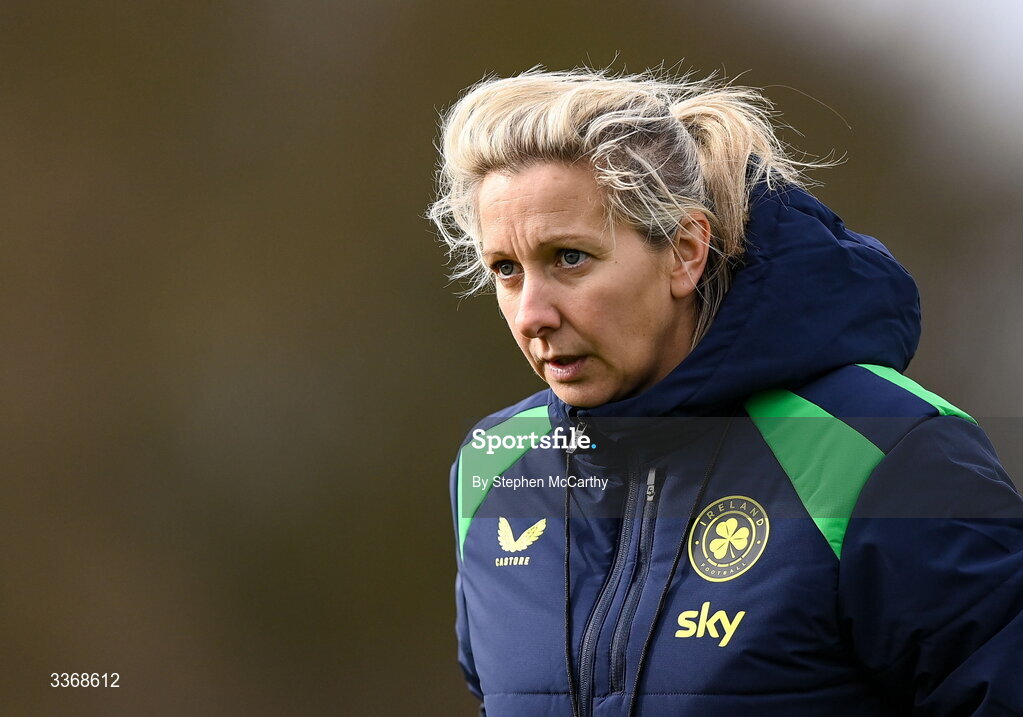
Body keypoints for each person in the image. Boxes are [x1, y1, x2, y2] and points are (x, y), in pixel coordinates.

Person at [428, 68, 1023, 716]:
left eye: (569, 257)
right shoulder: (494, 465)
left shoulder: (881, 449)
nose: (530, 312)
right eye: (506, 270)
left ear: (684, 250)